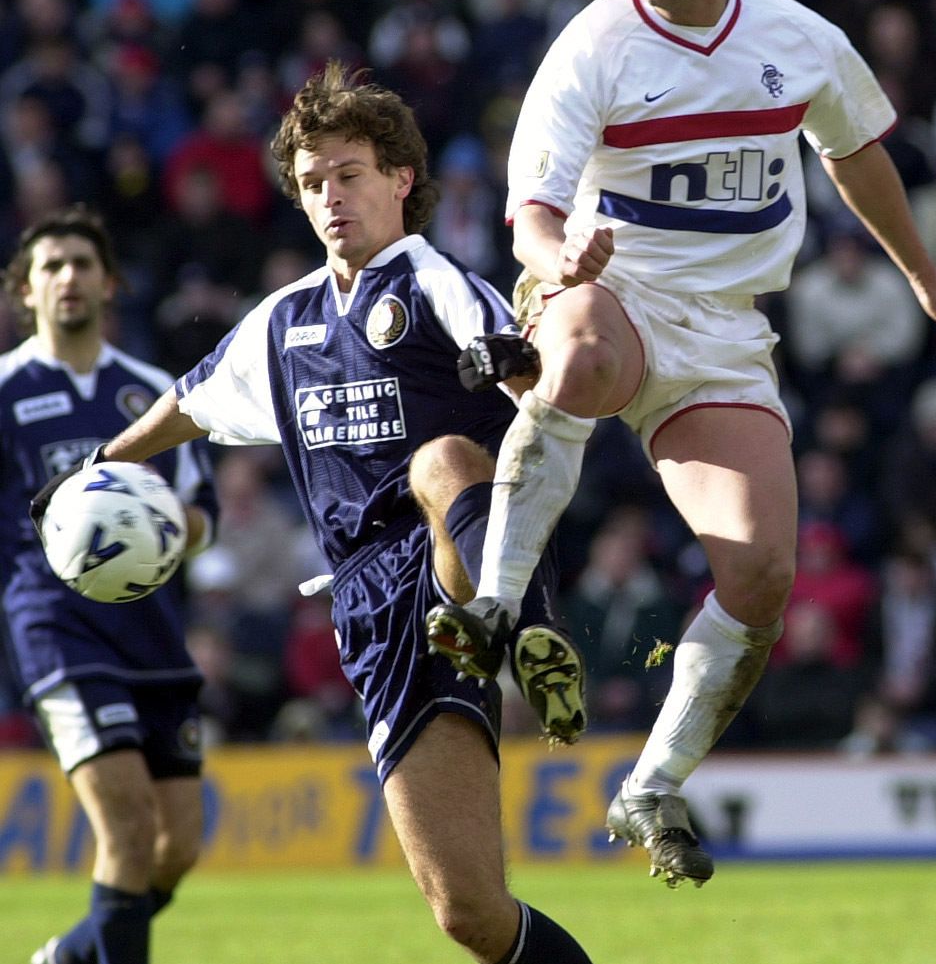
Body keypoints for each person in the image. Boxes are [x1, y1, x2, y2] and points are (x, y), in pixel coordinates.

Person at [426, 0, 936, 890]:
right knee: (578, 354)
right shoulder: (590, 42)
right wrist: (564, 250)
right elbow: (528, 216)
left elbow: (855, 151)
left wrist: (923, 273)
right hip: (609, 295)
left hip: (727, 333)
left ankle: (648, 784)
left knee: (762, 571)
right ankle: (493, 604)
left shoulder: (794, 38)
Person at [32, 63, 592, 964]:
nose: (332, 197)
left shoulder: (430, 277)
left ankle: (520, 629)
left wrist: (518, 364)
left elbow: (535, 383)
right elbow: (189, 400)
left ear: (400, 180)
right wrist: (102, 463)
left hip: (461, 545)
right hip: (366, 604)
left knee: (439, 461)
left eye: (350, 173)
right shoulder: (281, 321)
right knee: (471, 915)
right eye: (312, 183)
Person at [0, 206, 217, 964]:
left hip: (150, 629)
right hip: (53, 626)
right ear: (23, 291)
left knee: (176, 842)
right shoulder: (5, 389)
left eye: (81, 264)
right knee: (124, 829)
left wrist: (159, 521)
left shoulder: (152, 390)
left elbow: (204, 515)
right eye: (49, 267)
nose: (67, 277)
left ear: (110, 282)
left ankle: (68, 956)